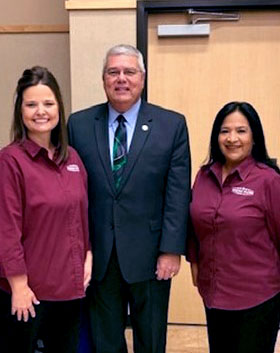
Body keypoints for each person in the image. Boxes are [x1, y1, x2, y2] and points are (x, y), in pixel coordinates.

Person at [67, 44, 191, 353]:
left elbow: (177, 192)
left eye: (129, 72)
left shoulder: (171, 125)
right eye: (113, 72)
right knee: (105, 340)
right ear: (104, 79)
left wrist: (171, 250)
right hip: (100, 256)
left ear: (143, 78)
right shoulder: (79, 125)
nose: (121, 78)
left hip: (151, 256)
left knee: (150, 338)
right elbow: (73, 192)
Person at [0, 66, 92, 353]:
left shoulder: (72, 158)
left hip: (69, 289)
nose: (40, 111)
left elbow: (82, 214)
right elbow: (4, 230)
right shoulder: (8, 162)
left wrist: (89, 253)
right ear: (20, 111)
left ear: (59, 107)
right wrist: (19, 286)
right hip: (27, 294)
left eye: (48, 103)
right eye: (31, 104)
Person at [187, 101, 280, 353]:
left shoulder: (269, 181)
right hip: (214, 294)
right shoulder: (204, 175)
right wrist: (195, 262)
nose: (232, 138)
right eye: (225, 131)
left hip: (257, 297)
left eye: (241, 131)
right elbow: (193, 223)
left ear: (254, 136)